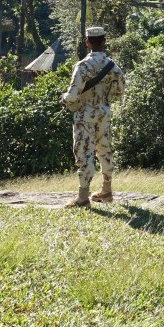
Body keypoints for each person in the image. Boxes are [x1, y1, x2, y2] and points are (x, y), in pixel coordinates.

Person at [60, 26, 125, 208]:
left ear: (87, 42)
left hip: (84, 114)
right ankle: (107, 190)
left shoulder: (82, 66)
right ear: (104, 42)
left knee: (84, 152)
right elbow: (120, 91)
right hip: (104, 113)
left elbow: (72, 95)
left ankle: (82, 197)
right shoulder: (113, 66)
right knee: (104, 149)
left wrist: (63, 99)